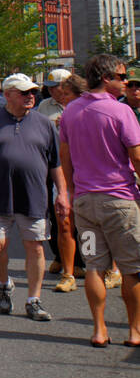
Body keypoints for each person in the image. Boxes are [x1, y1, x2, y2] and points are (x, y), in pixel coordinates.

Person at [58, 54, 140, 348]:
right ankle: (134, 331)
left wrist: (68, 190)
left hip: (85, 202)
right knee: (131, 267)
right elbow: (136, 155)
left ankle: (99, 329)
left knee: (93, 264)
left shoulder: (70, 112)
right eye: (122, 77)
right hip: (119, 201)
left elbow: (64, 156)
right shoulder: (120, 112)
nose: (126, 82)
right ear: (106, 79)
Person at [0, 74, 65, 322]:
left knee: (35, 247)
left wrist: (62, 193)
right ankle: (4, 283)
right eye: (23, 92)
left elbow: (55, 163)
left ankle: (33, 299)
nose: (30, 96)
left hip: (33, 196)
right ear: (7, 94)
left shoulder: (44, 124)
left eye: (32, 92)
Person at [40, 71, 87, 291]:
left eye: (57, 87)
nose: (53, 91)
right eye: (49, 87)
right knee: (61, 219)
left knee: (88, 224)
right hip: (57, 169)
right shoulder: (44, 106)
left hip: (85, 172)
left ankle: (85, 263)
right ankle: (64, 263)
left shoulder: (85, 107)